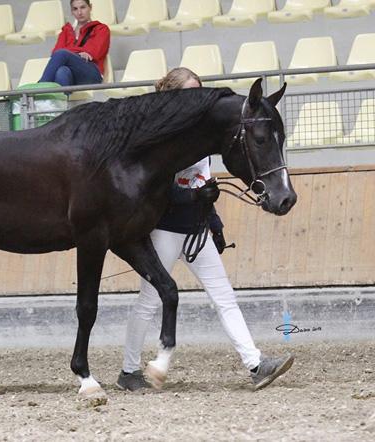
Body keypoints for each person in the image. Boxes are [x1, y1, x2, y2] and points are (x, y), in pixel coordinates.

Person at [116, 67, 294, 392]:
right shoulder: (161, 135)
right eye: (190, 92)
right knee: (149, 301)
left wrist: (214, 223)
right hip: (166, 229)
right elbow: (155, 188)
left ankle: (256, 364)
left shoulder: (202, 136)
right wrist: (191, 197)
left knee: (224, 297)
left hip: (196, 229)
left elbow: (203, 180)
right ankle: (129, 370)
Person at [39, 0, 110, 87]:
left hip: (92, 73)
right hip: (71, 74)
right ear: (72, 11)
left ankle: (41, 87)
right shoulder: (66, 31)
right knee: (62, 71)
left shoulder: (101, 29)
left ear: (90, 7)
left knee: (62, 54)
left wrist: (69, 52)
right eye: (75, 9)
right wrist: (79, 53)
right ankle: (60, 96)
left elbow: (95, 52)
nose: (79, 12)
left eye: (83, 7)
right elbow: (55, 53)